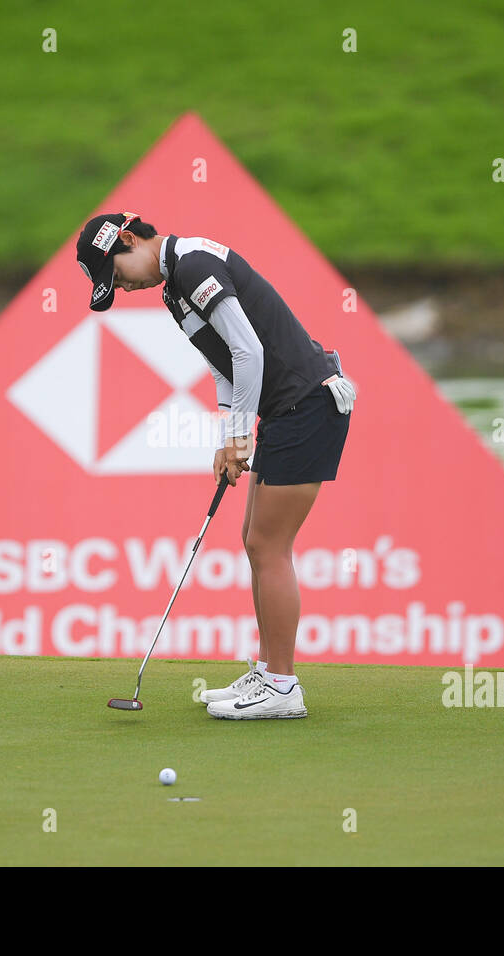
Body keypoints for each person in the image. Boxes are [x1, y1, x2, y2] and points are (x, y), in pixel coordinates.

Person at [76, 212, 355, 719]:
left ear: (131, 238)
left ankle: (282, 686)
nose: (124, 286)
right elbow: (225, 365)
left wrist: (237, 437)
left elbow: (250, 352)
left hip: (309, 406)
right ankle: (268, 670)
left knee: (270, 545)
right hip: (285, 411)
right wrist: (226, 435)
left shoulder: (191, 264)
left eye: (117, 273)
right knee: (255, 539)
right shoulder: (173, 291)